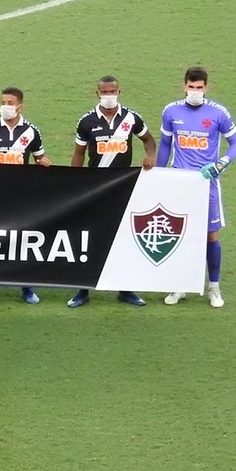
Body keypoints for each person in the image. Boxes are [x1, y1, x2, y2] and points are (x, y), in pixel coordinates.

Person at [66, 76, 157, 308]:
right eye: (104, 91)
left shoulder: (131, 118)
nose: (109, 95)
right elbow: (79, 153)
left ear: (119, 91)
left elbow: (148, 140)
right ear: (96, 93)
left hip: (122, 186)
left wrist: (151, 156)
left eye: (112, 91)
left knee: (123, 238)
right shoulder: (86, 121)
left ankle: (125, 289)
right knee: (89, 238)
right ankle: (82, 290)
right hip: (95, 186)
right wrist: (73, 181)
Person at [156, 66, 236, 308]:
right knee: (178, 234)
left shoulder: (218, 113)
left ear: (206, 87)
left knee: (210, 235)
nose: (195, 91)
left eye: (199, 87)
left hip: (206, 183)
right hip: (179, 183)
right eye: (191, 87)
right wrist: (159, 174)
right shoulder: (171, 111)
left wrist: (220, 164)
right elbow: (165, 145)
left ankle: (214, 288)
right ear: (184, 86)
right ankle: (180, 286)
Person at [0, 87, 50, 305]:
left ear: (19, 106)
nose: (5, 106)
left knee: (23, 241)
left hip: (21, 195)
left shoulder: (31, 132)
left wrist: (44, 162)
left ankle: (27, 288)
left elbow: (40, 158)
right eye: (3, 102)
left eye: (10, 102)